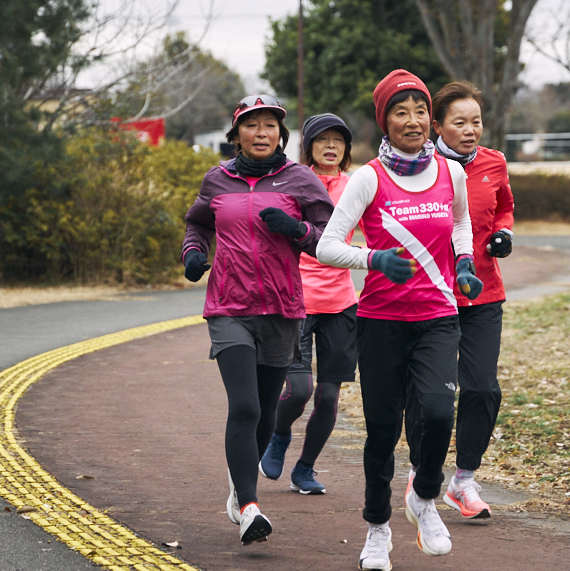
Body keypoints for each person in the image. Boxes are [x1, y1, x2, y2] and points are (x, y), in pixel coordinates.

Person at [316, 69, 482, 571]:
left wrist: (466, 261)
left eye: (420, 111)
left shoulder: (450, 172)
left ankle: (425, 499)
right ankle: (377, 530)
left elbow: (460, 220)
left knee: (435, 413)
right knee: (383, 432)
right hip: (381, 322)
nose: (413, 121)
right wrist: (373, 259)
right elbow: (327, 245)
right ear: (384, 122)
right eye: (400, 112)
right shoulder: (369, 178)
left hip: (437, 317)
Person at [181, 95, 333, 545]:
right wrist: (193, 252)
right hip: (229, 307)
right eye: (252, 125)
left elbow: (331, 236)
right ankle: (249, 507)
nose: (262, 132)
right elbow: (198, 224)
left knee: (266, 410)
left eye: (271, 125)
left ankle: (239, 481)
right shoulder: (217, 180)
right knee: (244, 406)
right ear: (237, 135)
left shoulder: (300, 179)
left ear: (281, 135)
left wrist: (297, 230)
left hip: (283, 309)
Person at [404, 80, 514, 520]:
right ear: (436, 126)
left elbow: (504, 206)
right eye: (460, 122)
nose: (471, 130)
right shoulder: (419, 167)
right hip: (431, 294)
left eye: (477, 122)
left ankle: (463, 480)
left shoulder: (495, 162)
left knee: (483, 388)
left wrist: (504, 232)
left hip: (484, 292)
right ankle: (418, 470)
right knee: (429, 393)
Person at [258, 113, 359, 495]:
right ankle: (279, 435)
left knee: (329, 396)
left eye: (339, 140)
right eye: (323, 140)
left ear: (347, 148)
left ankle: (305, 469)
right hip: (297, 300)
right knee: (299, 390)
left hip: (341, 303)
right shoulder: (294, 183)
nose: (331, 147)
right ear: (309, 147)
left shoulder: (356, 186)